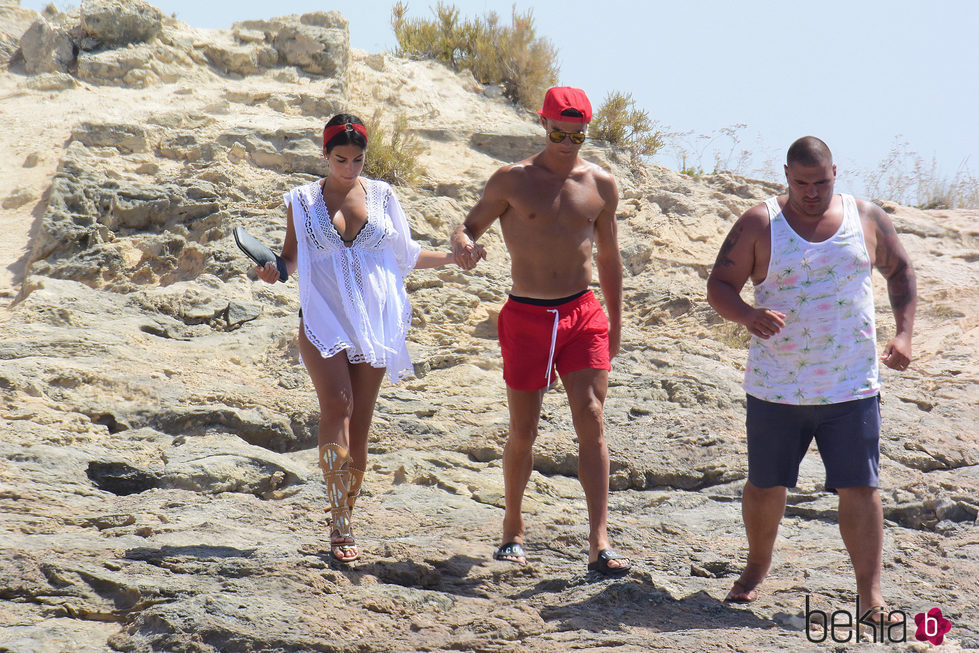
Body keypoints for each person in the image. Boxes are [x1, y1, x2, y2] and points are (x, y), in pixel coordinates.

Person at [706, 136, 916, 616]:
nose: (811, 192)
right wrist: (747, 314)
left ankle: (870, 594)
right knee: (765, 483)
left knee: (861, 487)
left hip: (851, 386)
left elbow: (900, 271)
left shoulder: (865, 217)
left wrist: (903, 335)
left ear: (835, 173)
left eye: (820, 182)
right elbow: (719, 284)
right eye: (801, 183)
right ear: (785, 175)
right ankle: (757, 567)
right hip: (777, 387)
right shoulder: (762, 223)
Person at [257, 113, 456, 563]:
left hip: (374, 322)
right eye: (341, 159)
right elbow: (289, 259)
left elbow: (405, 255)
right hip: (323, 319)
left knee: (361, 422)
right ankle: (339, 523)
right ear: (325, 155)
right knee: (338, 405)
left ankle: (347, 510)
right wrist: (271, 271)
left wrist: (451, 257)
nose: (349, 168)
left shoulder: (384, 196)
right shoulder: (302, 201)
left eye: (358, 159)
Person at [450, 87, 630, 576]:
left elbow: (609, 258)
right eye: (558, 132)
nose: (567, 142)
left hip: (582, 313)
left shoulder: (601, 185)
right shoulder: (512, 180)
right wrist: (466, 247)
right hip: (527, 316)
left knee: (591, 415)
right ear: (542, 124)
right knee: (523, 432)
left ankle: (599, 540)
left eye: (577, 135)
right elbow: (467, 227)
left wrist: (615, 320)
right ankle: (512, 527)